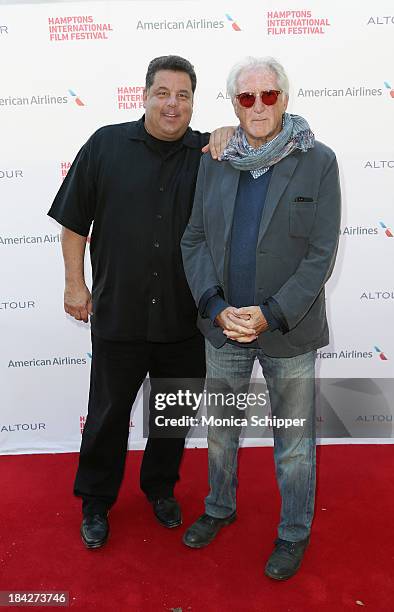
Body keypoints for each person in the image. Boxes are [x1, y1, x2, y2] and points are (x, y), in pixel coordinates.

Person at [48, 55, 232, 549]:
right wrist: (74, 284)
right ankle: (95, 502)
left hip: (185, 318)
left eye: (184, 95)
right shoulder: (106, 145)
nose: (173, 104)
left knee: (172, 416)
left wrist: (229, 132)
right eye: (163, 93)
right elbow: (73, 223)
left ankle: (160, 490)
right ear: (144, 95)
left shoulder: (209, 154)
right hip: (119, 313)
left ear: (194, 101)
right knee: (107, 415)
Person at [181, 56, 341, 580]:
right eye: (246, 98)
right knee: (223, 430)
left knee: (294, 442)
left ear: (284, 100)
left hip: (287, 331)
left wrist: (269, 314)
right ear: (233, 104)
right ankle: (218, 508)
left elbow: (320, 254)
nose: (257, 106)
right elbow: (195, 238)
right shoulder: (216, 157)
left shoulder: (318, 160)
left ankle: (293, 533)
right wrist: (215, 305)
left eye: (268, 96)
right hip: (223, 325)